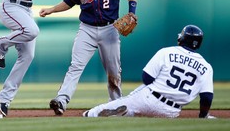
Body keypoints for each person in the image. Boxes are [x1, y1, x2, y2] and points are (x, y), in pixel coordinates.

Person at [39, 0, 138, 115]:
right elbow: (70, 1)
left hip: (109, 29)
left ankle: (115, 104)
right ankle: (61, 100)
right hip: (87, 29)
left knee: (113, 72)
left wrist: (132, 13)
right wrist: (51, 9)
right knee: (75, 66)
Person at [83, 25, 214, 118]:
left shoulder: (167, 52)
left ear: (183, 38)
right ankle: (125, 111)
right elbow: (207, 97)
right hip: (171, 112)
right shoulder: (206, 67)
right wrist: (203, 116)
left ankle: (91, 114)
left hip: (149, 99)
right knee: (134, 109)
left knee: (125, 103)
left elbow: (146, 78)